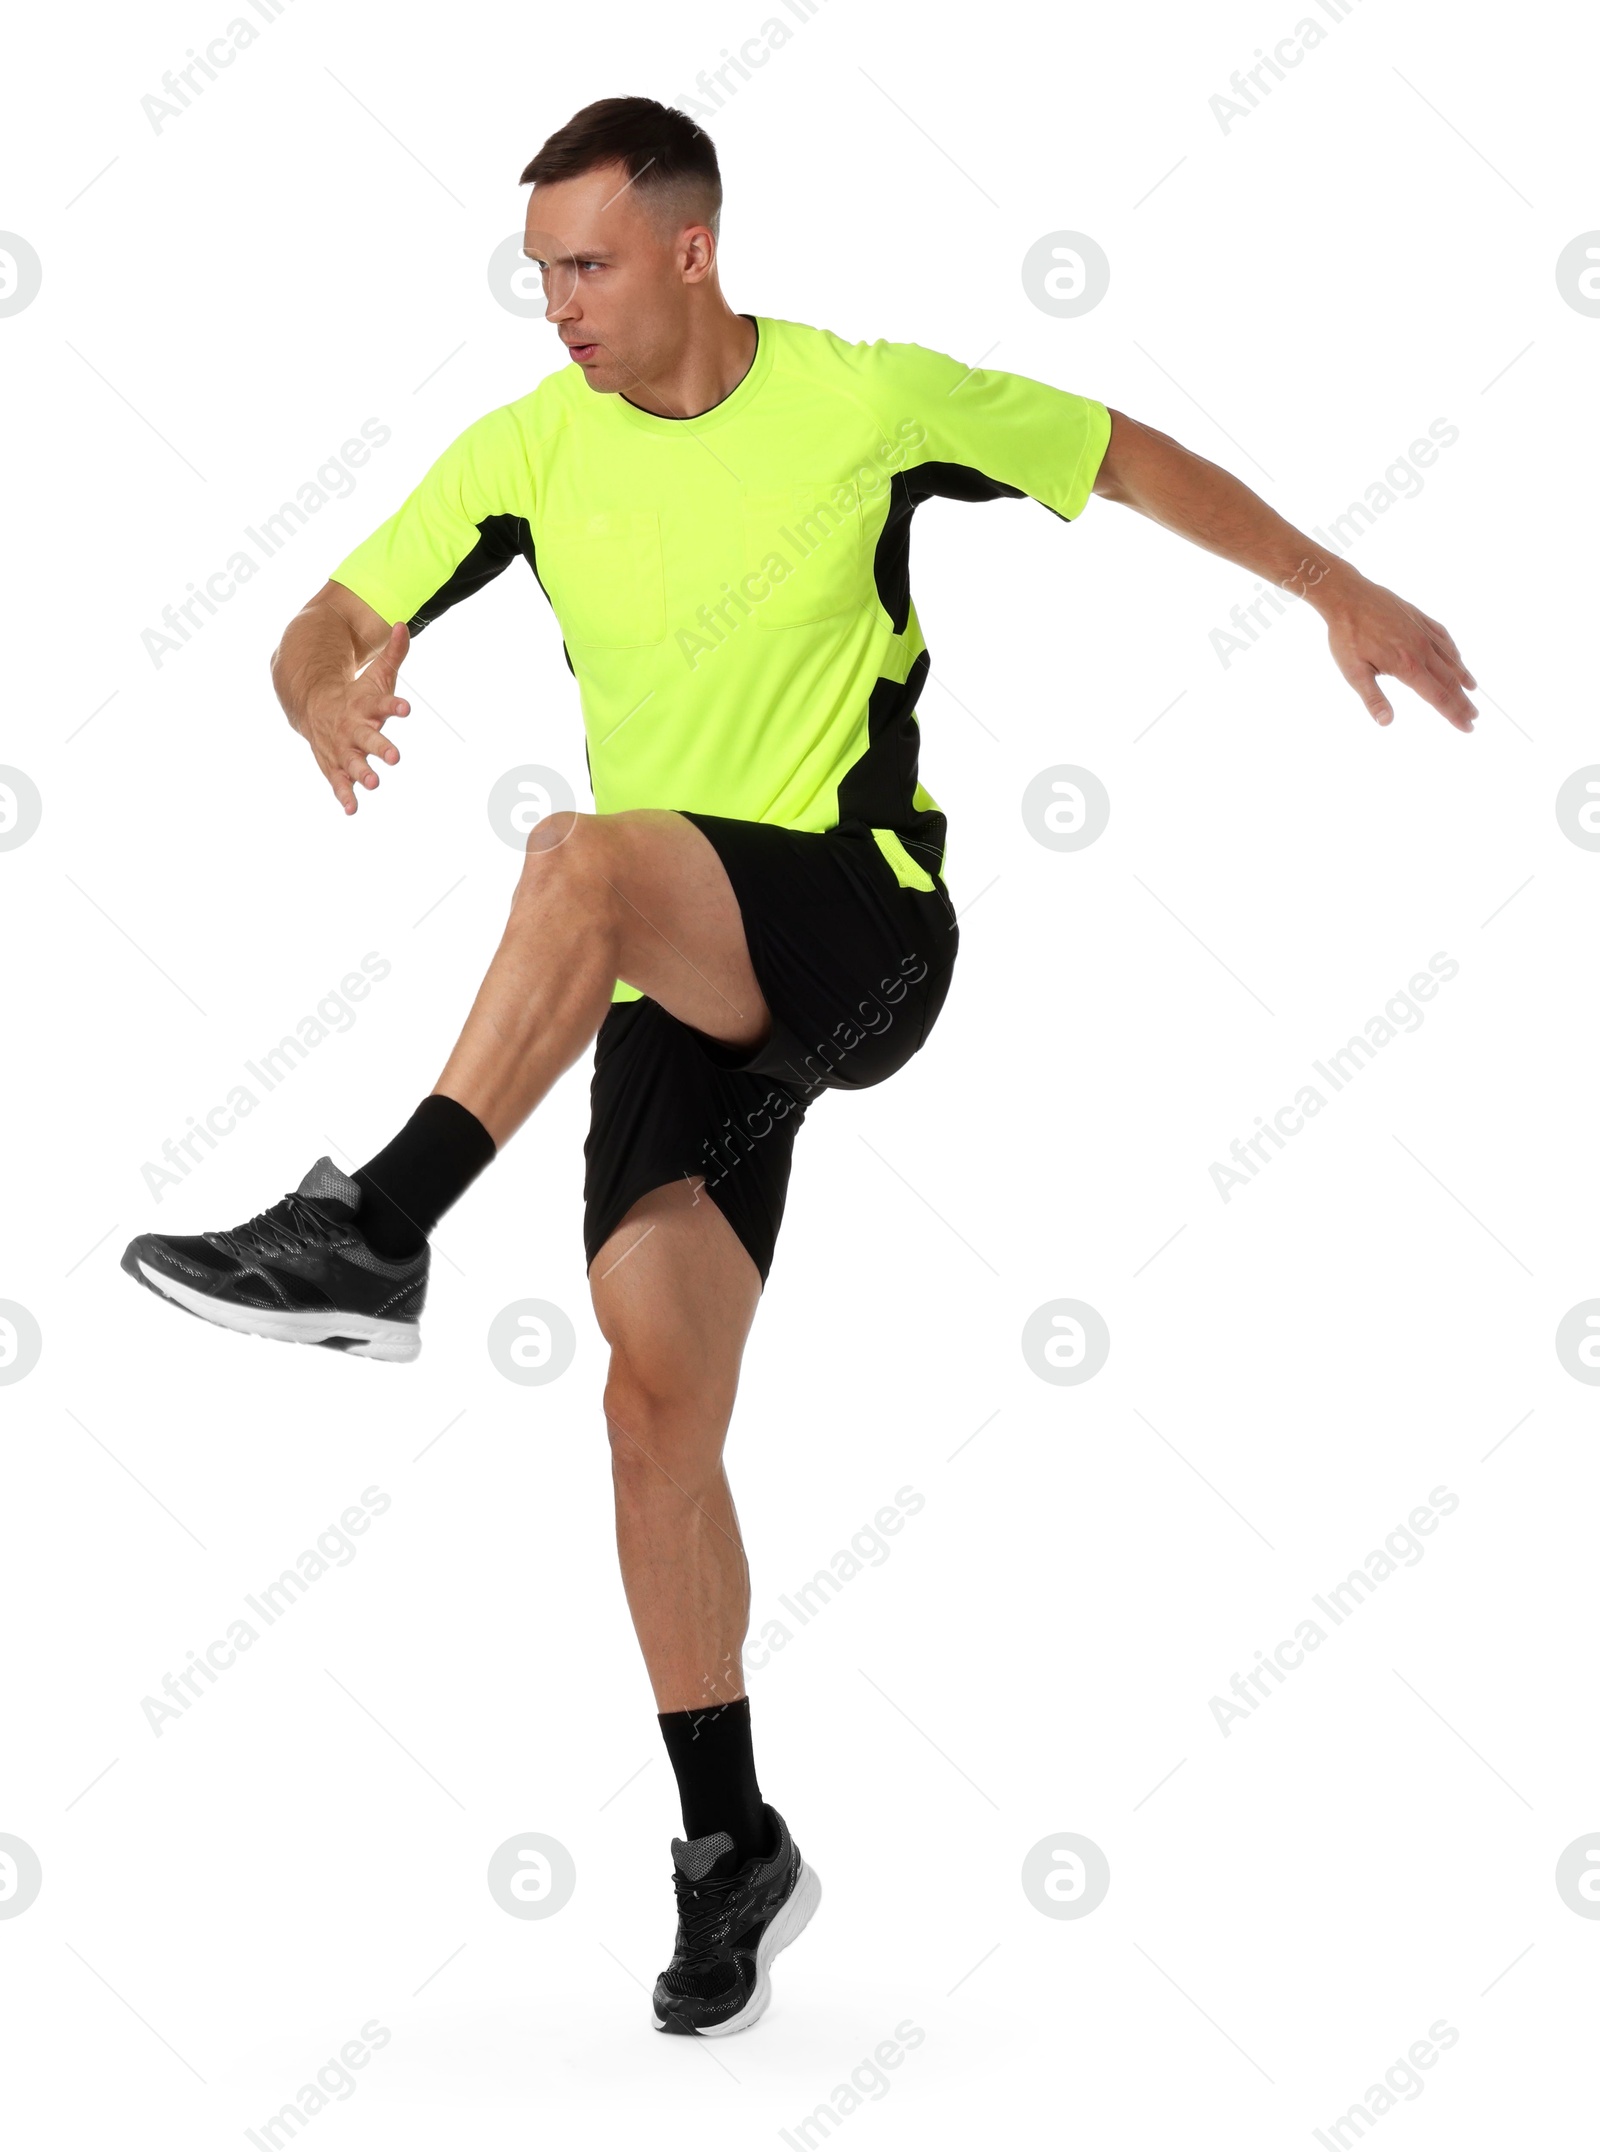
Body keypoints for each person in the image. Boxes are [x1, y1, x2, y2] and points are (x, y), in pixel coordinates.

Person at [120, 96, 1478, 2036]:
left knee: (573, 856)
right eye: (535, 274)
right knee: (651, 1410)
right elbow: (317, 625)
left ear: (688, 248)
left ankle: (378, 1225)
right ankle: (726, 1840)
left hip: (856, 925)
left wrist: (1332, 582)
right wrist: (323, 691)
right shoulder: (526, 450)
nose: (556, 306)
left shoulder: (861, 401)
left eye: (583, 265)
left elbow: (1118, 452)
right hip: (671, 984)